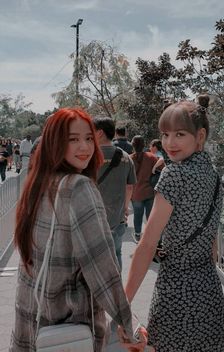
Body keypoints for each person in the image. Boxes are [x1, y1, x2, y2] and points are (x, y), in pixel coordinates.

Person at [10, 108, 146, 352]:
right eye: (73, 139)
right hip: (67, 327)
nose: (84, 147)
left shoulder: (38, 183)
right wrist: (128, 323)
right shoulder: (78, 187)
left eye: (88, 138)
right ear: (55, 143)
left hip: (31, 322)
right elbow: (102, 268)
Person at [122, 95, 224, 351]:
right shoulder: (214, 177)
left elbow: (147, 244)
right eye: (165, 134)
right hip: (209, 291)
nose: (170, 142)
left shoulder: (174, 174)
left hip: (176, 292)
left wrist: (123, 305)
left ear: (200, 136)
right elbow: (212, 243)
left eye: (179, 134)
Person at [93, 116, 136, 270]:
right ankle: (116, 287)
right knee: (117, 253)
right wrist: (124, 208)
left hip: (92, 219)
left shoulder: (89, 156)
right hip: (117, 218)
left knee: (94, 257)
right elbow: (129, 187)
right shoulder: (125, 158)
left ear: (99, 133)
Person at [130, 136, 158, 243]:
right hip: (150, 192)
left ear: (132, 145)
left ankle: (137, 235)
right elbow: (162, 169)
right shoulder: (151, 157)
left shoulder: (129, 158)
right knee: (150, 215)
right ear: (144, 144)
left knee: (137, 215)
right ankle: (151, 237)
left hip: (136, 193)